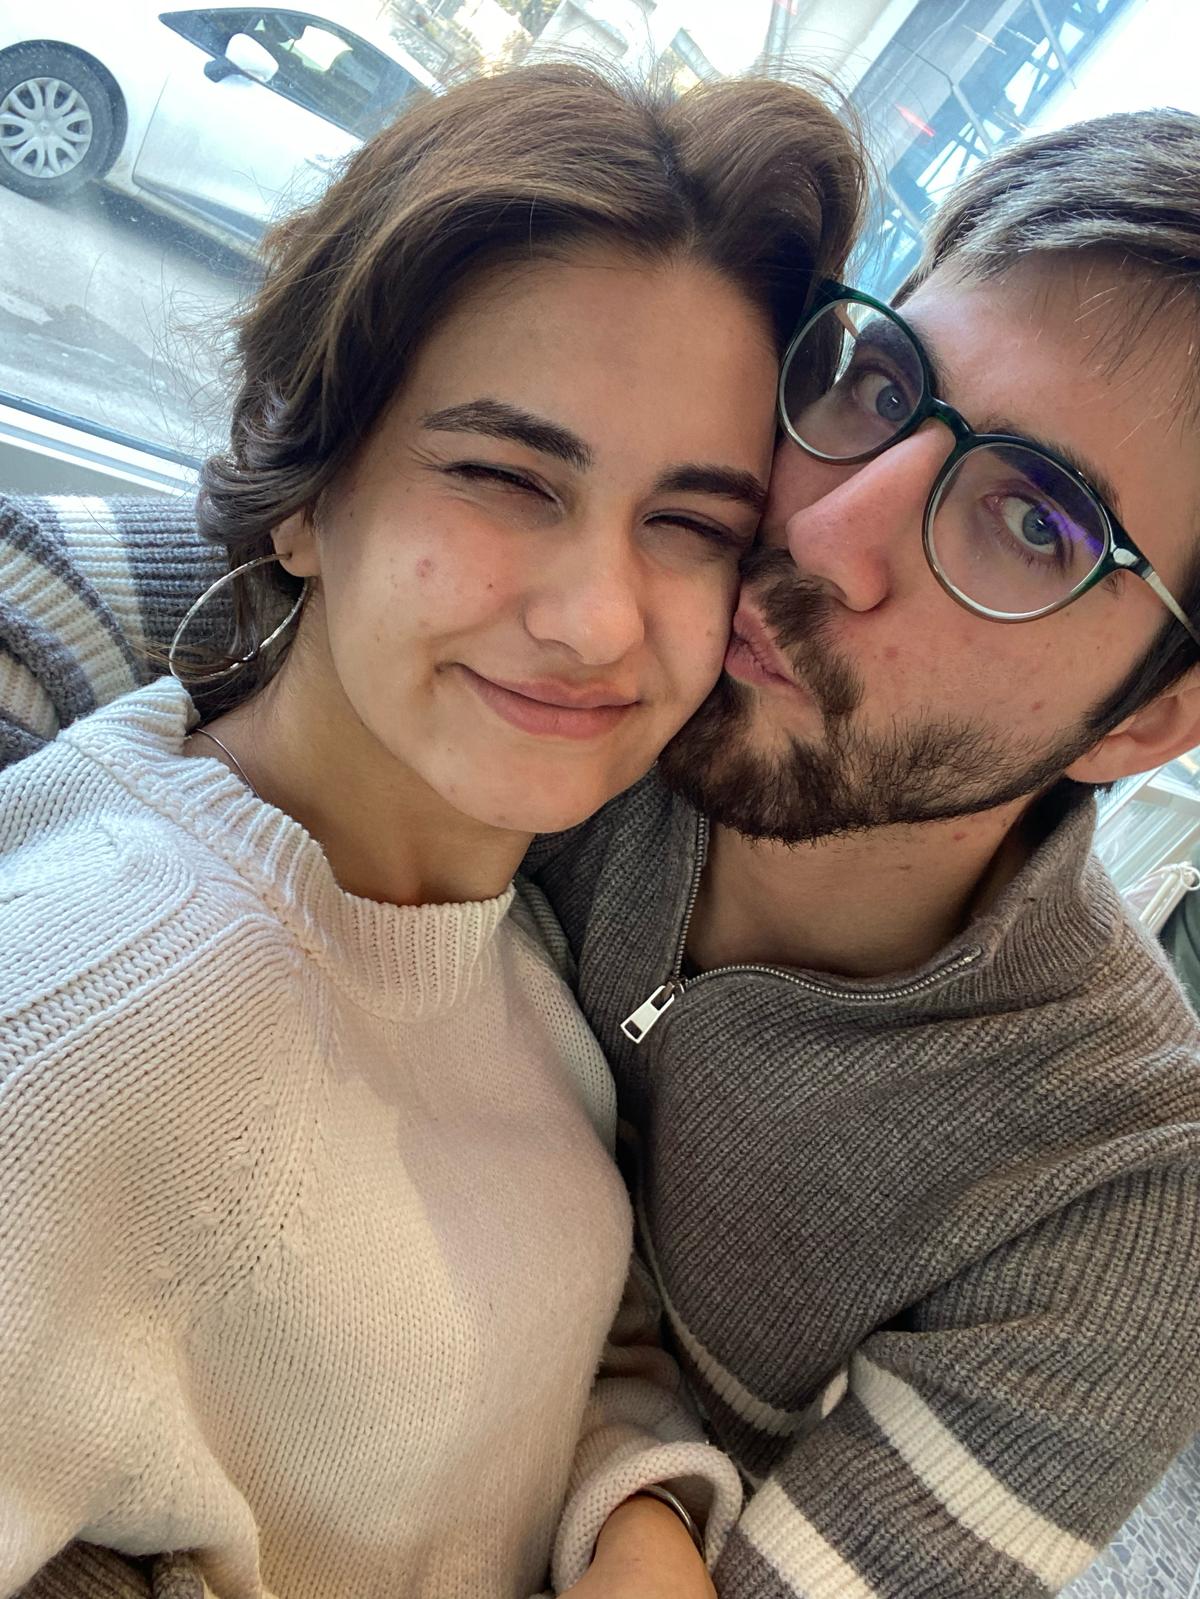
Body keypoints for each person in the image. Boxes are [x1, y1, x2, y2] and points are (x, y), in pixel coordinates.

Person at [5, 107, 1200, 1599]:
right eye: (887, 387)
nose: (828, 535)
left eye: (1036, 523)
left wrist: (631, 1489)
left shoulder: (1118, 1193)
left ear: (1145, 717)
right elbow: (159, 576)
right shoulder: (594, 692)